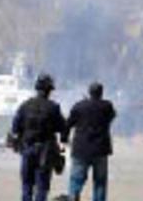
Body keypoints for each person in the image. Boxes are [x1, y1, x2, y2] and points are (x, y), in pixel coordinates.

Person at [11, 73, 67, 201]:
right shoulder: (53, 107)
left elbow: (15, 128)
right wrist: (63, 143)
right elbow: (63, 129)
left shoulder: (25, 106)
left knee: (27, 186)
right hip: (45, 151)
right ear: (49, 91)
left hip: (27, 149)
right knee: (42, 187)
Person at [64, 82, 117, 201]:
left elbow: (68, 124)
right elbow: (111, 116)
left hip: (81, 148)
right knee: (100, 182)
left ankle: (73, 198)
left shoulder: (79, 106)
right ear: (101, 92)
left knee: (76, 179)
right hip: (100, 148)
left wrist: (64, 138)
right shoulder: (106, 106)